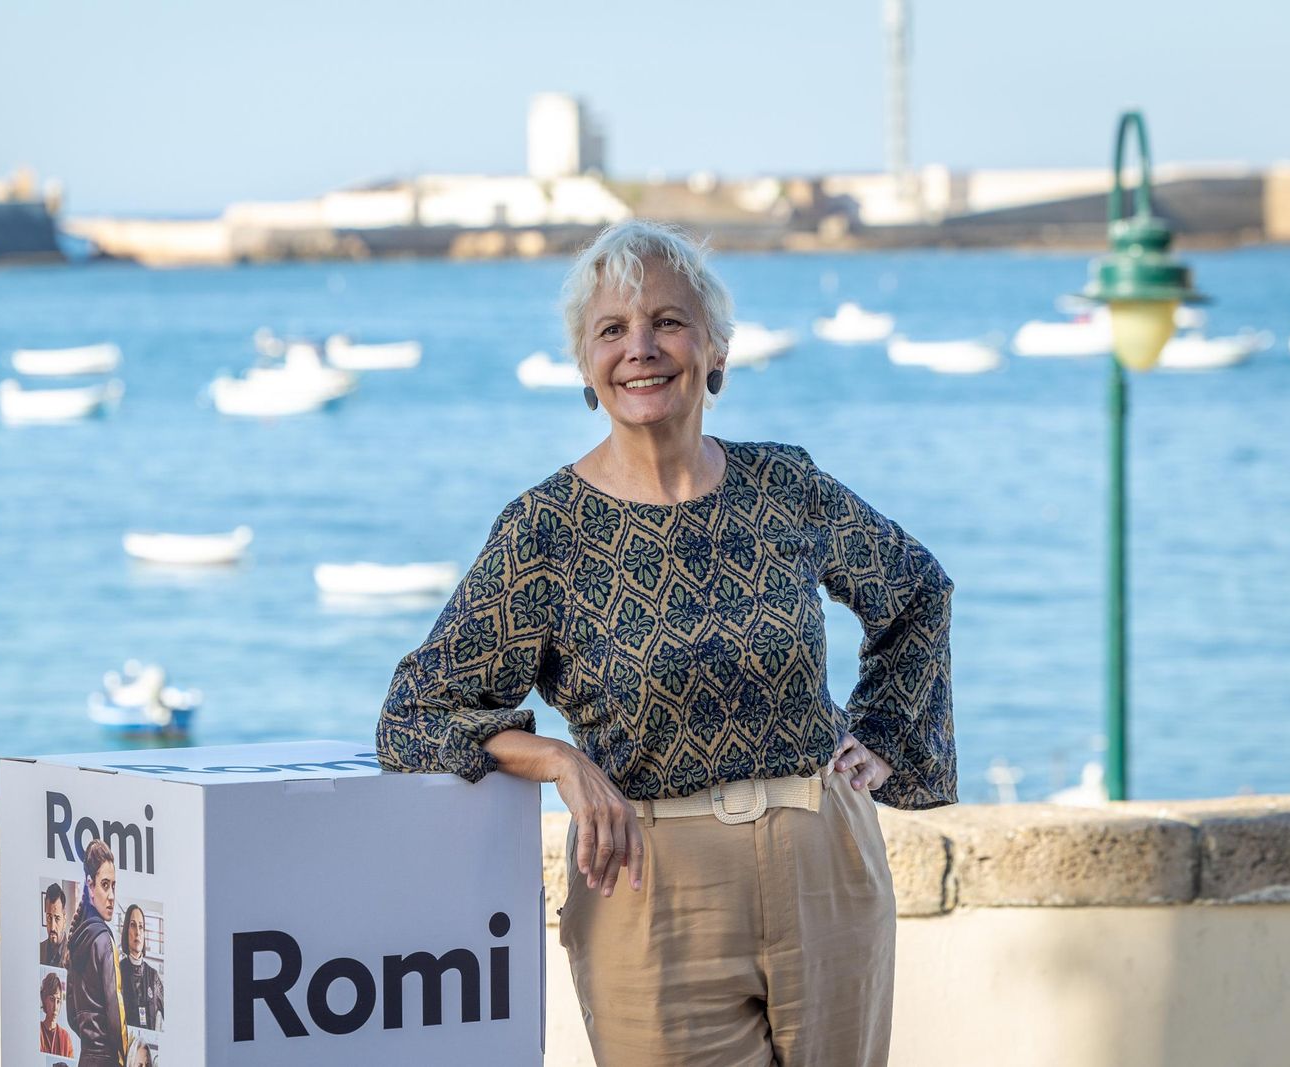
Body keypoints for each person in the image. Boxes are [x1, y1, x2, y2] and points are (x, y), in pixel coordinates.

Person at [377, 219, 955, 1066]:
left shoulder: (784, 483)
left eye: (668, 322)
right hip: (649, 889)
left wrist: (887, 739)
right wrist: (564, 765)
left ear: (714, 350)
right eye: (612, 329)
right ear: (587, 365)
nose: (641, 348)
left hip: (826, 869)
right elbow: (414, 715)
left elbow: (917, 590)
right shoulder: (547, 529)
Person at [66, 840, 127, 1067]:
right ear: (90, 886)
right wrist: (124, 1054)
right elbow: (116, 1012)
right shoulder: (104, 940)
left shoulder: (76, 939)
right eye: (104, 885)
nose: (111, 895)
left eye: (113, 886)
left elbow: (72, 1014)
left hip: (85, 1059)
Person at [119, 903, 165, 1031]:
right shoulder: (117, 972)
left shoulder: (153, 976)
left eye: (141, 927)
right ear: (126, 931)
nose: (137, 932)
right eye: (133, 925)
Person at [39, 971, 75, 1056]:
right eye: (52, 999)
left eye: (58, 1001)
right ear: (44, 999)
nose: (55, 1007)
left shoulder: (65, 1037)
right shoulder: (37, 1030)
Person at [39, 882, 68, 968]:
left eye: (57, 918)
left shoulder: (74, 954)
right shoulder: (39, 949)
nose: (52, 927)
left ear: (64, 919)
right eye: (49, 918)